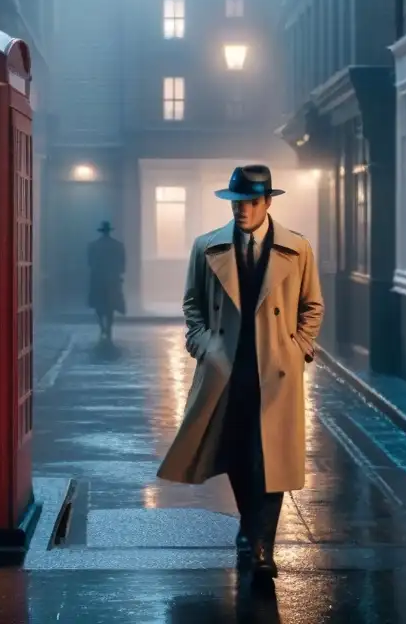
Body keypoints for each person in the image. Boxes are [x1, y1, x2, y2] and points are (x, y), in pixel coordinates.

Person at [156, 164, 324, 580]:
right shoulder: (206, 247)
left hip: (275, 373)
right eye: (236, 203)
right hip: (226, 371)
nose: (242, 210)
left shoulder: (297, 248)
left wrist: (297, 348)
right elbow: (192, 304)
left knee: (271, 459)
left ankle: (261, 544)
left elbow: (312, 306)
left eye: (250, 202)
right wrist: (202, 346)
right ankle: (251, 531)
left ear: (267, 202)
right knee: (237, 455)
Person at [87, 220, 126, 341]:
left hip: (98, 278)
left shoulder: (93, 246)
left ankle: (103, 327)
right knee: (111, 305)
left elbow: (90, 263)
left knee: (99, 305)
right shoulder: (118, 245)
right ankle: (108, 327)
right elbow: (122, 264)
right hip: (112, 279)